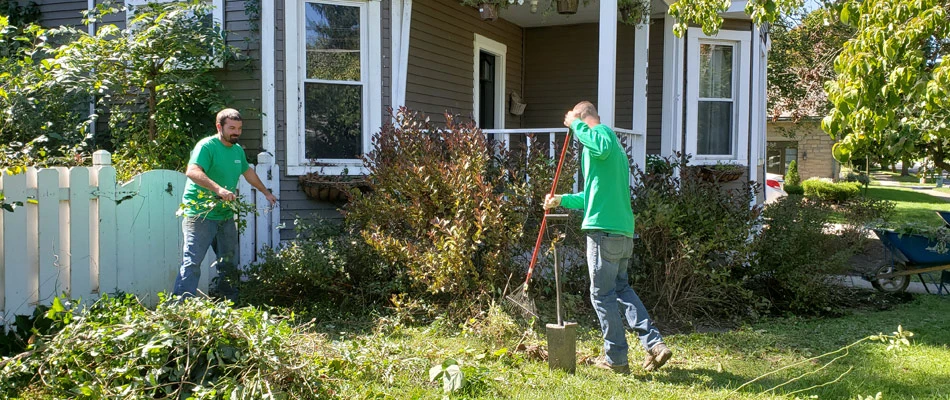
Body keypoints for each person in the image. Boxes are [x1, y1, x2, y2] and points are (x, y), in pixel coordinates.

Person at [543, 101, 672, 373]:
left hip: (604, 232)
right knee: (622, 289)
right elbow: (591, 196)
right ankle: (655, 344)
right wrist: (560, 199)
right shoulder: (607, 151)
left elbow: (598, 144)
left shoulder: (603, 134)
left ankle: (616, 359)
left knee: (601, 295)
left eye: (579, 124)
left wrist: (575, 123)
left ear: (584, 117)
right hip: (622, 231)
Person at [173, 108, 278, 300]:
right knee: (193, 261)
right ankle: (180, 305)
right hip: (200, 213)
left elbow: (248, 172)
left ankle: (229, 302)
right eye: (231, 128)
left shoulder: (237, 150)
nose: (236, 132)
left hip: (224, 214)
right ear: (219, 127)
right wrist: (219, 189)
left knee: (229, 261)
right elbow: (193, 171)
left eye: (239, 128)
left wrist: (265, 192)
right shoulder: (206, 146)